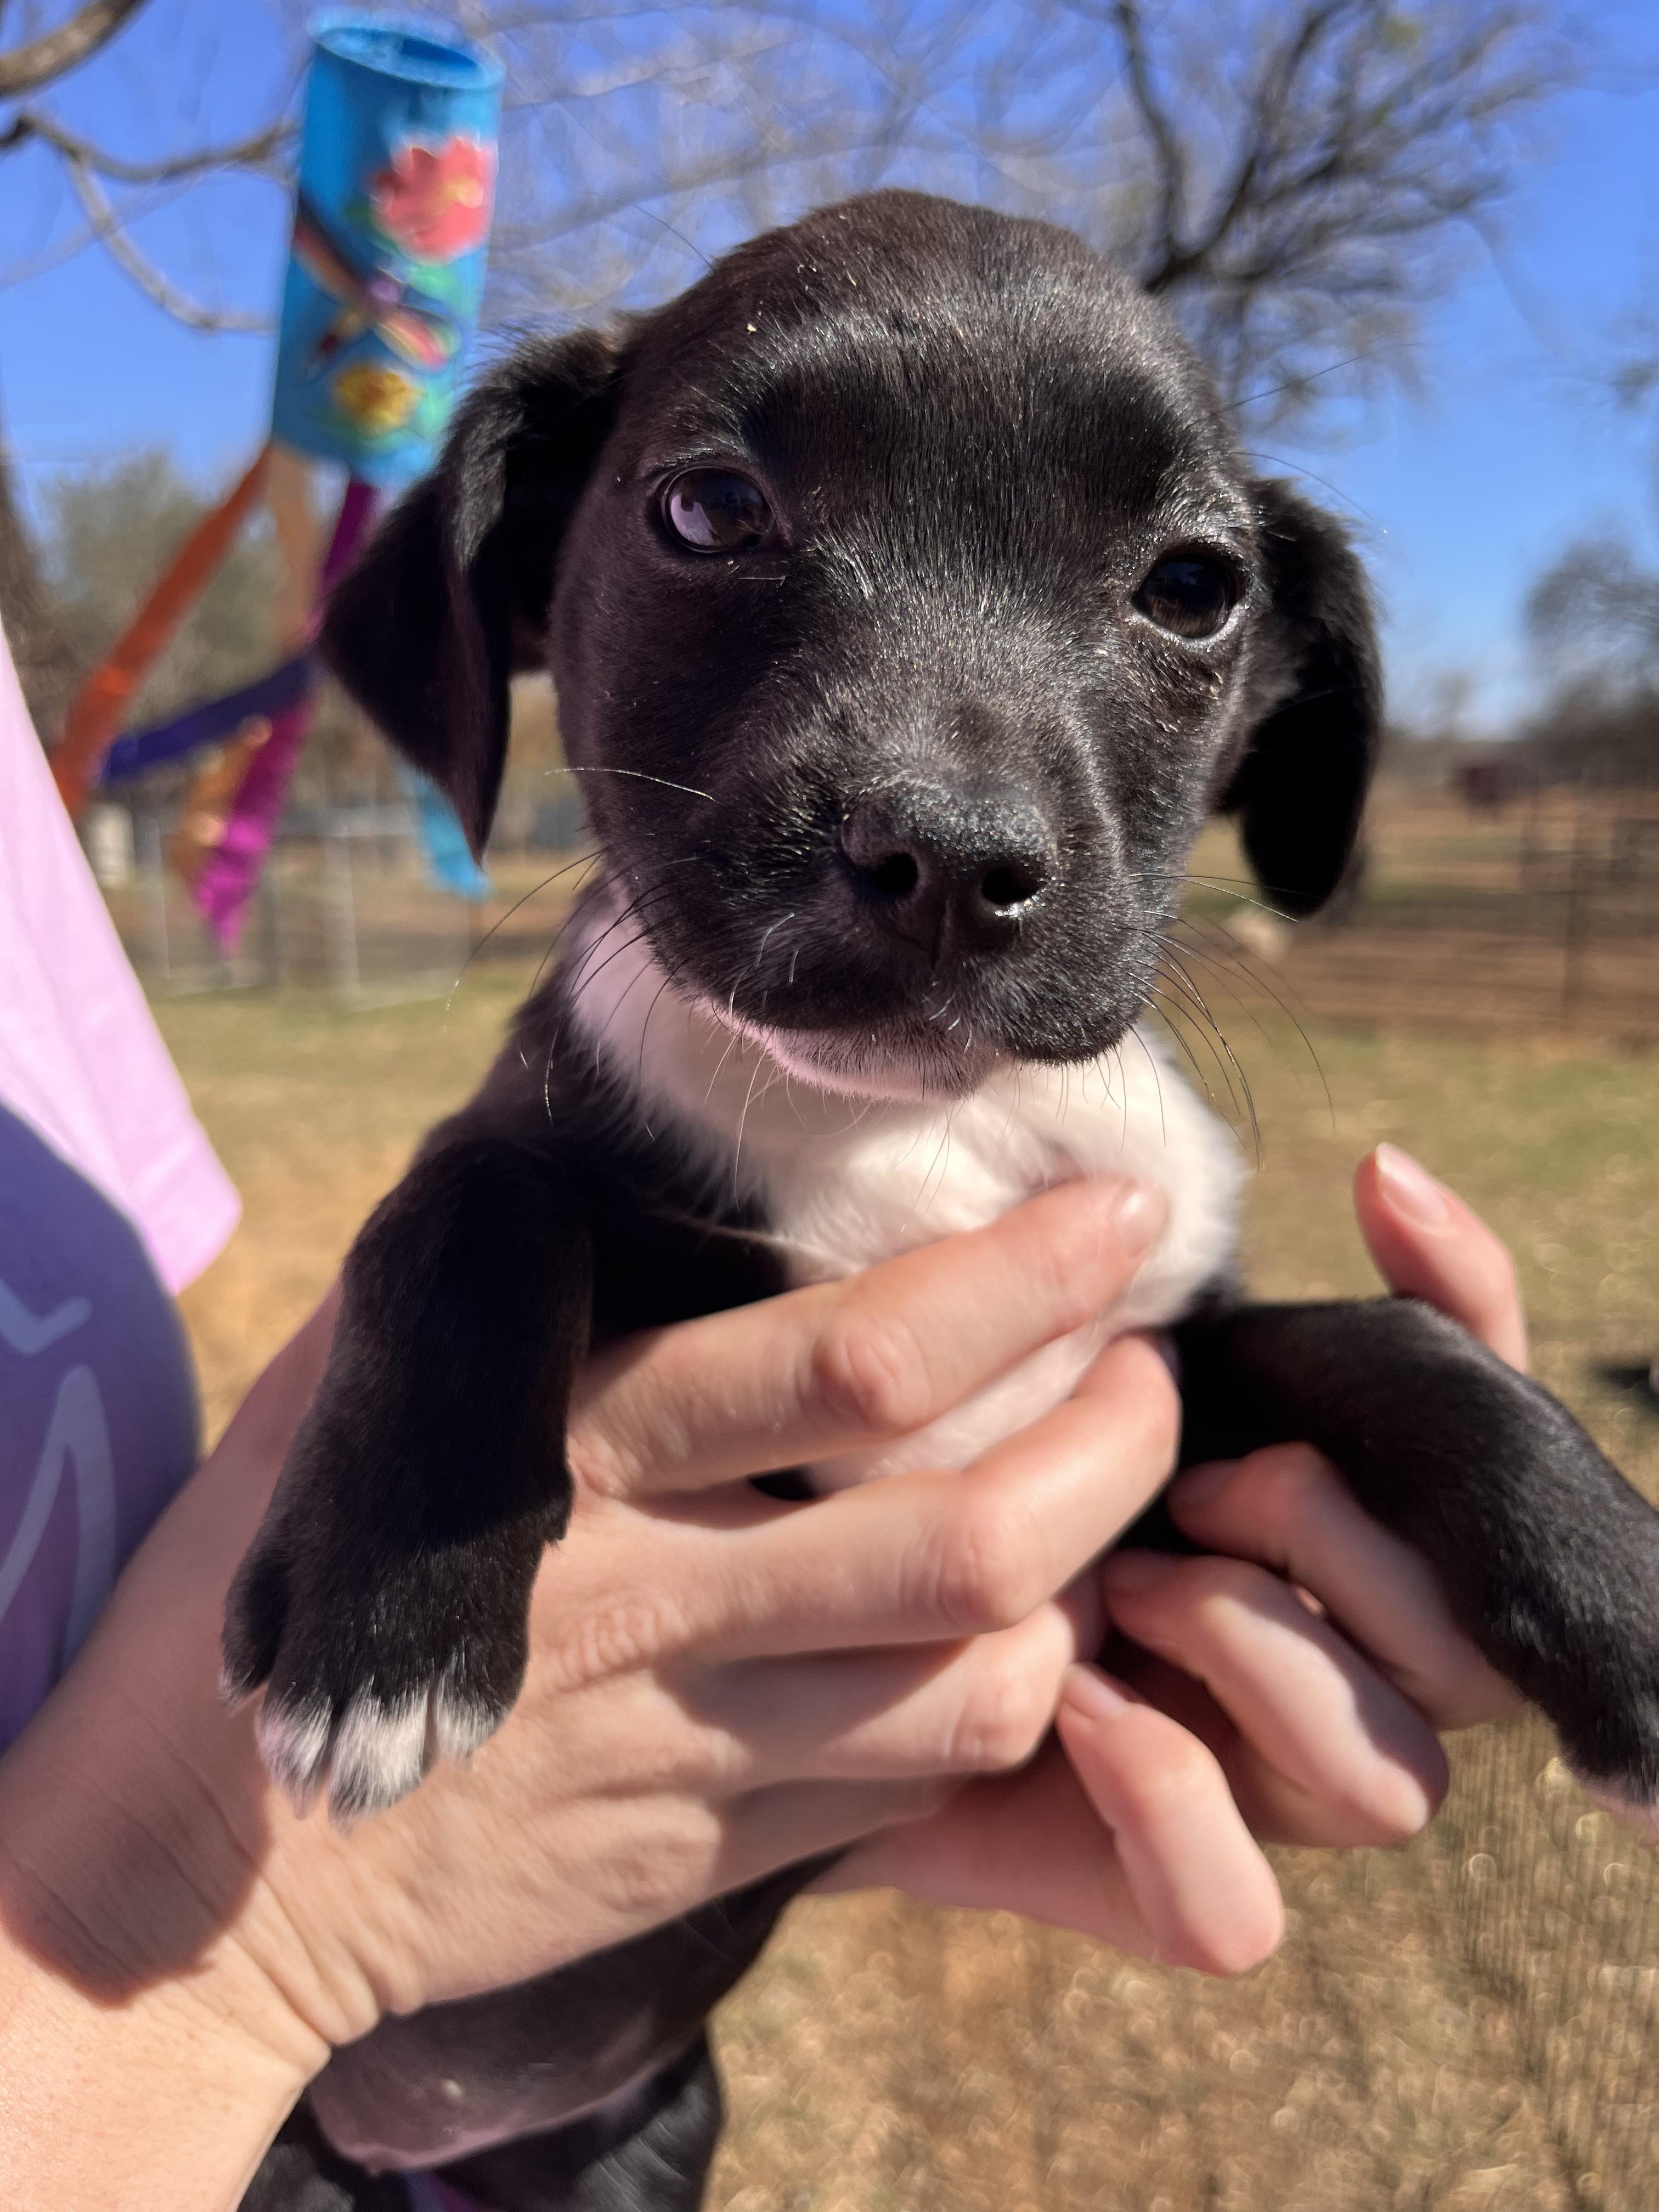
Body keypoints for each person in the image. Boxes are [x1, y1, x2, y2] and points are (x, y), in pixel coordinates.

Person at [0, 617, 1526, 2207]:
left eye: (1187, 589)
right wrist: (192, 1923)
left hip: (602, 2121)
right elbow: (497, 1206)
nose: (949, 805)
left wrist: (863, 1797)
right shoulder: (612, 1092)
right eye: (719, 510)